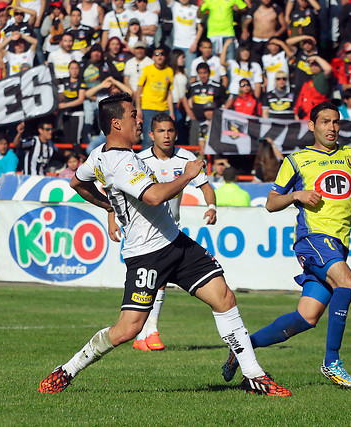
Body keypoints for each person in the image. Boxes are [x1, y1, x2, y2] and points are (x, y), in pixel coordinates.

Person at [39, 92, 291, 397]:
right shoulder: (121, 162)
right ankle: (67, 370)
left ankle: (254, 375)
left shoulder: (99, 155)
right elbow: (155, 196)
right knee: (127, 330)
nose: (139, 119)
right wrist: (186, 177)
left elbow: (78, 183)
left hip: (175, 242)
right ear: (117, 123)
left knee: (224, 297)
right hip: (146, 255)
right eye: (133, 114)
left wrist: (108, 206)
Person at [221, 102, 351, 387]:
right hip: (313, 239)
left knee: (306, 317)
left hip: (337, 243)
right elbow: (271, 203)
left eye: (335, 122)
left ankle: (243, 347)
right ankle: (332, 362)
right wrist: (297, 196)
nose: (331, 127)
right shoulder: (296, 160)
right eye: (325, 122)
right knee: (347, 281)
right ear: (312, 125)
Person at [130, 113, 217, 351]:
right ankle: (149, 332)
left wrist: (211, 207)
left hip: (170, 229)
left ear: (175, 133)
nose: (166, 136)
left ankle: (146, 335)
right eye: (161, 131)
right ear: (151, 135)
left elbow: (206, 187)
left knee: (157, 281)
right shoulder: (140, 160)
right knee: (154, 282)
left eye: (170, 131)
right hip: (144, 230)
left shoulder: (186, 158)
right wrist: (112, 219)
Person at [136, 45, 175, 149]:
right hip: (148, 108)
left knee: (165, 138)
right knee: (149, 139)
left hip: (163, 108)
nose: (160, 56)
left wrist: (171, 112)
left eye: (162, 54)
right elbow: (139, 89)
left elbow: (169, 93)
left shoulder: (169, 71)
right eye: (156, 54)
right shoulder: (147, 70)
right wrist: (138, 108)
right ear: (153, 57)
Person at [58, 60, 87, 149]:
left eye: (76, 68)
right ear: (69, 70)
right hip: (66, 115)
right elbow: (60, 95)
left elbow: (80, 100)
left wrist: (65, 105)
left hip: (77, 114)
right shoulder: (64, 81)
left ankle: (78, 159)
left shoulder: (82, 82)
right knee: (67, 140)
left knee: (75, 141)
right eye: (72, 68)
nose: (74, 71)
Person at [171, 0, 203, 74]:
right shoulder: (175, 6)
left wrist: (195, 43)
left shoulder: (195, 9)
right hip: (177, 45)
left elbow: (200, 28)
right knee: (174, 72)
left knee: (190, 73)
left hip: (190, 47)